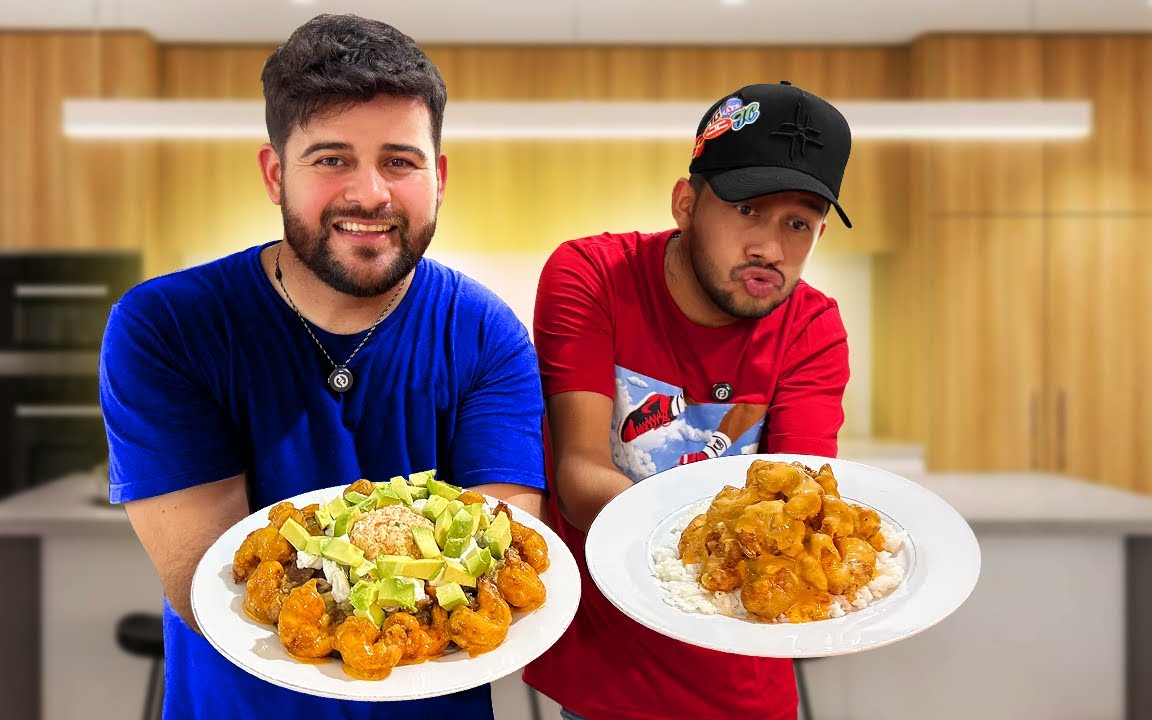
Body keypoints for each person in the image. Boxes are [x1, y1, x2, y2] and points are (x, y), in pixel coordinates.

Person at [100, 14, 547, 720]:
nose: (369, 194)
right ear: (276, 173)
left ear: (440, 177)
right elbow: (205, 584)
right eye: (331, 158)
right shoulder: (167, 328)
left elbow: (507, 560)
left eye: (400, 160)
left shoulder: (487, 335)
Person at [523, 81, 854, 720]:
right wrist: (721, 536)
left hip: (746, 687)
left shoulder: (813, 329)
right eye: (748, 210)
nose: (771, 249)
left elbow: (802, 508)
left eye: (798, 224)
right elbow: (579, 475)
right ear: (685, 203)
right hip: (604, 682)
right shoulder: (591, 276)